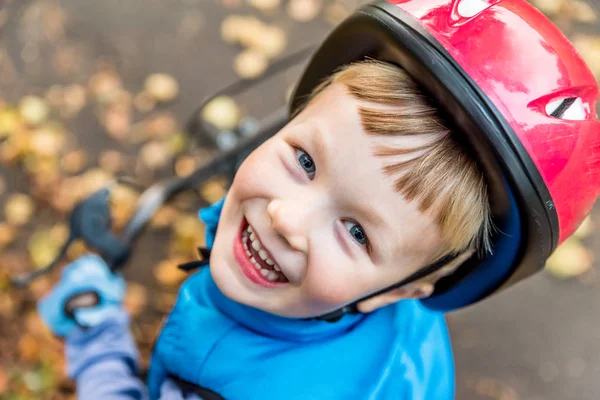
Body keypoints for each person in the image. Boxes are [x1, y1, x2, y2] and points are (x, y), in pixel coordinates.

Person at [37, 0, 600, 399]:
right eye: (304, 161)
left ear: (403, 289)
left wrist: (98, 339)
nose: (287, 218)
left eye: (357, 232)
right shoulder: (393, 329)